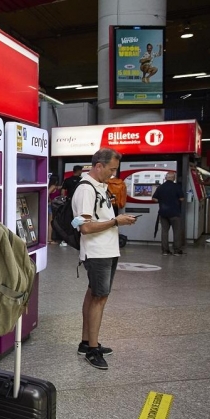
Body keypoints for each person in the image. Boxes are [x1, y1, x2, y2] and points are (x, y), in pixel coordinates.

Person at [72, 148, 137, 370]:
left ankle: (85, 342)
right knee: (100, 298)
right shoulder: (86, 189)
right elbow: (86, 227)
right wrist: (116, 222)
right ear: (98, 166)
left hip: (107, 250)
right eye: (111, 169)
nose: (113, 174)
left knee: (94, 293)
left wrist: (117, 220)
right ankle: (92, 348)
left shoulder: (100, 186)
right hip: (97, 252)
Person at [151, 172, 185, 256]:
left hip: (163, 213)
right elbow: (182, 198)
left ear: (166, 178)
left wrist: (162, 201)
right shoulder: (177, 187)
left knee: (164, 231)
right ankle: (177, 251)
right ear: (173, 178)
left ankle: (165, 251)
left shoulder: (160, 187)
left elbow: (154, 198)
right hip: (175, 212)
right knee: (177, 231)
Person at [48, 174, 61, 244]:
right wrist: (50, 201)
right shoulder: (52, 187)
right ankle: (49, 239)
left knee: (49, 222)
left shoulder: (52, 186)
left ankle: (49, 239)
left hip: (50, 206)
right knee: (50, 223)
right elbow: (47, 193)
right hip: (50, 207)